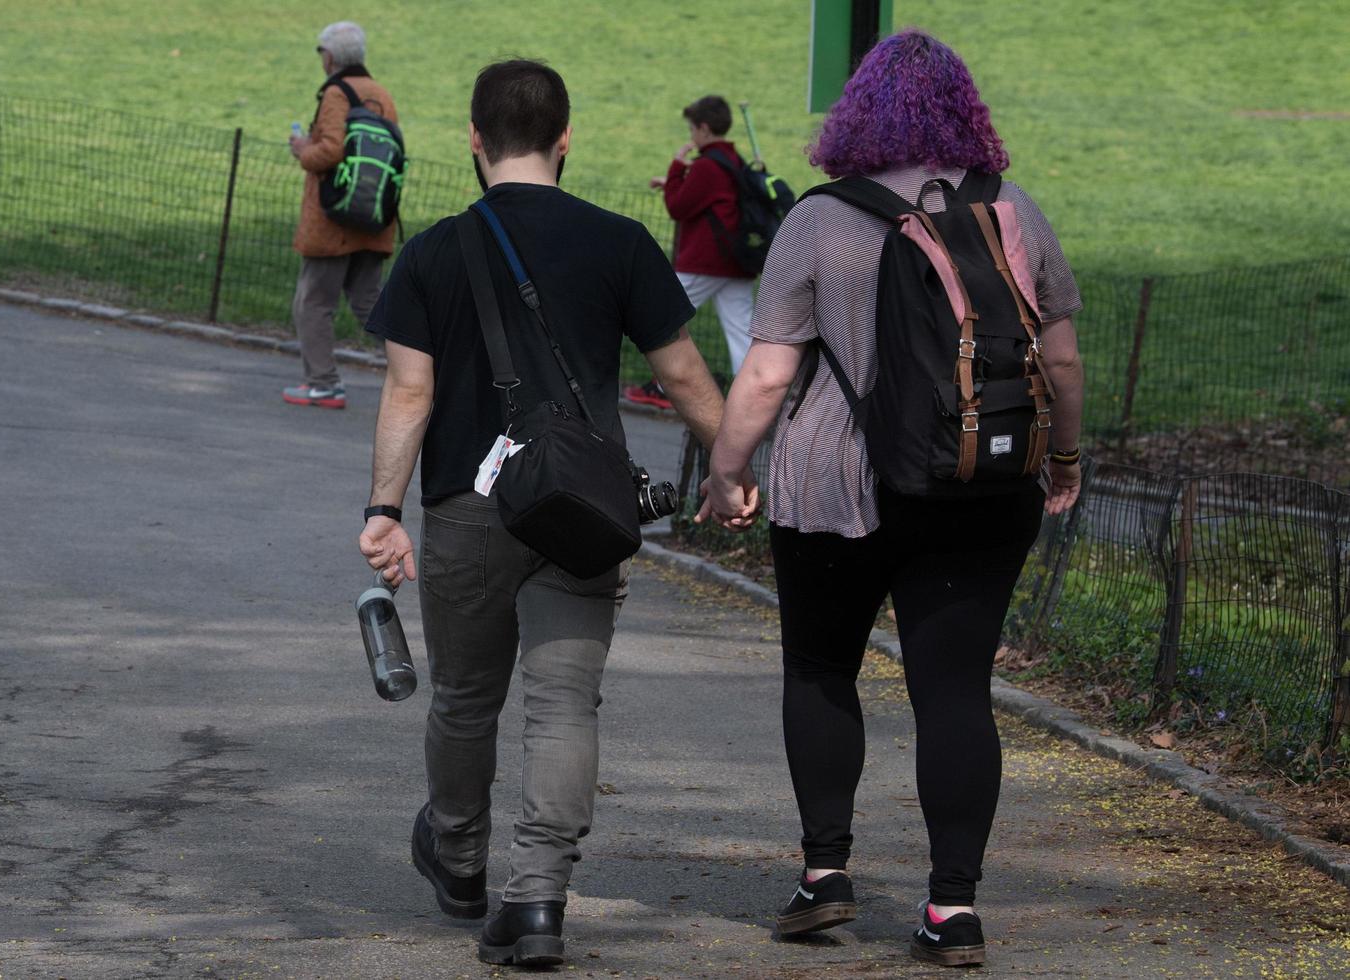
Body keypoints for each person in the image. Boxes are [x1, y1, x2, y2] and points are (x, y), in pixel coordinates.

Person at [698, 30, 1085, 968]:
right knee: (956, 690)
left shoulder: (822, 220)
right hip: (984, 479)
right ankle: (953, 909)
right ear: (964, 112)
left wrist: (726, 468)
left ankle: (825, 876)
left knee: (823, 667)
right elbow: (1062, 357)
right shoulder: (1013, 209)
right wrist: (1064, 459)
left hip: (839, 483)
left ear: (855, 117)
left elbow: (765, 373)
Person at [357, 60, 748, 969]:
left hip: (467, 510)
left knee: (464, 697)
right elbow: (684, 374)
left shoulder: (432, 252)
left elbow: (408, 392)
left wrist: (384, 507)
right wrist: (730, 470)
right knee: (564, 703)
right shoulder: (617, 241)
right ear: (566, 139)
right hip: (581, 512)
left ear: (473, 139)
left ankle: (459, 855)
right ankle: (536, 900)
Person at [283, 21, 398, 410]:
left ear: (329, 57)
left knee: (313, 302)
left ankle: (323, 383)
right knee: (370, 304)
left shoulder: (336, 93)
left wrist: (303, 150)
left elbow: (331, 151)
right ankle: (421, 375)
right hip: (373, 215)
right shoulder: (380, 93)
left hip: (334, 219)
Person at [625, 95, 755, 410]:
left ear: (704, 129)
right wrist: (677, 179)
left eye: (692, 129)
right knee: (743, 334)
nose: (691, 136)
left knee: (663, 315)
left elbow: (677, 206)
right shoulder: (733, 161)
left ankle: (661, 387)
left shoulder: (708, 166)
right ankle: (752, 402)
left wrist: (675, 167)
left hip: (704, 261)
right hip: (735, 262)